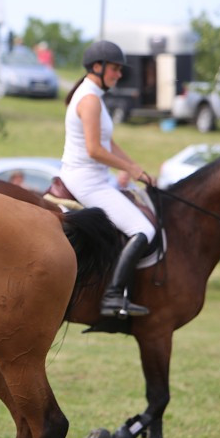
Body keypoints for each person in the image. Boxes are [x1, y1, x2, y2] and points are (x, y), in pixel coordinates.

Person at [60, 40, 156, 318]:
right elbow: (94, 150)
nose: (119, 74)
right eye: (115, 68)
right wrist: (130, 169)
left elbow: (108, 142)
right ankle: (113, 297)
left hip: (98, 177)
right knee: (143, 229)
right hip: (87, 180)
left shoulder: (92, 96)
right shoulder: (89, 100)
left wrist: (132, 167)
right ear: (97, 67)